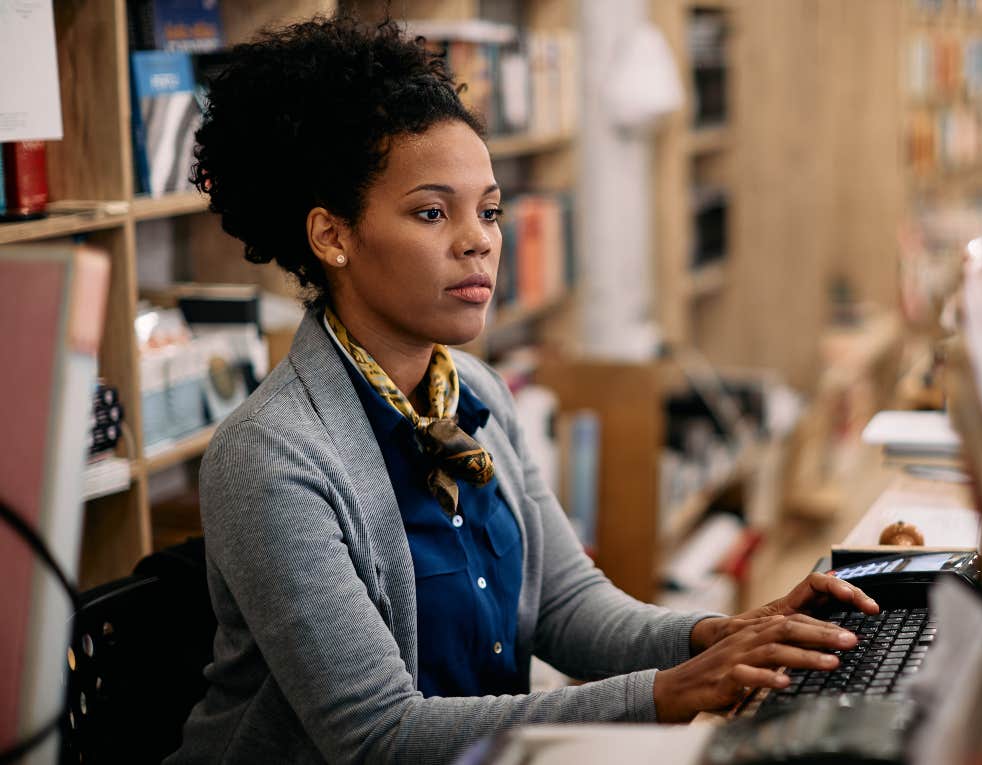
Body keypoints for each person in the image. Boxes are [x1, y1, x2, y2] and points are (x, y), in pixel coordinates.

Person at [169, 17, 876, 763]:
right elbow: (378, 736)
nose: (479, 239)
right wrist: (669, 691)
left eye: (491, 209)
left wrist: (724, 635)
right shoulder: (269, 456)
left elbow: (568, 607)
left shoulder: (477, 393)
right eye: (432, 212)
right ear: (331, 235)